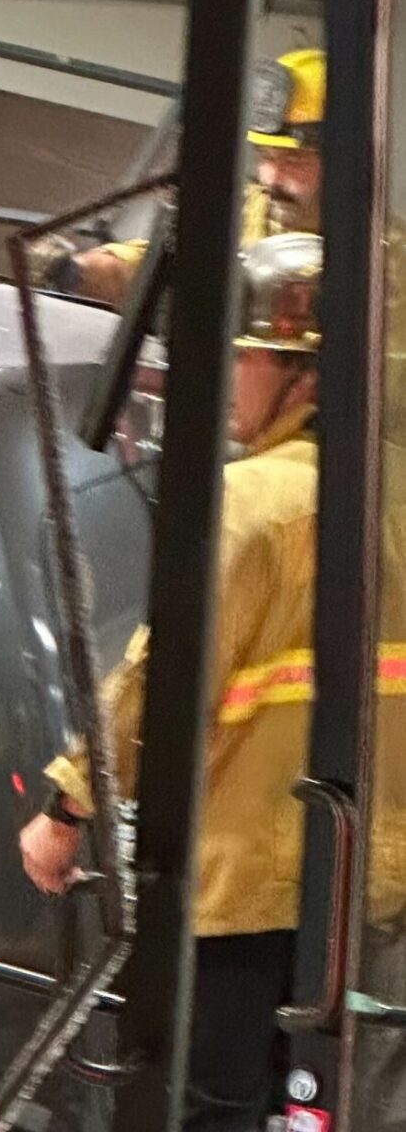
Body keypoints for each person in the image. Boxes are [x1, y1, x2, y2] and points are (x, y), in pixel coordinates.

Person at [21, 231, 406, 1130]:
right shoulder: (390, 501)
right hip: (379, 890)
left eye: (244, 357)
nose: (225, 377)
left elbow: (164, 680)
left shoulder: (254, 503)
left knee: (215, 1108)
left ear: (304, 376)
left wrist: (66, 807)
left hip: (249, 883)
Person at [28, 48, 326, 307]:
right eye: (265, 155)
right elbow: (159, 263)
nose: (271, 178)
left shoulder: (369, 252)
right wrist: (79, 271)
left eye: (294, 158)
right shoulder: (240, 210)